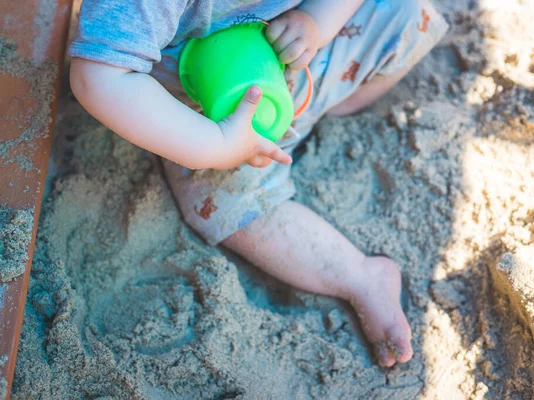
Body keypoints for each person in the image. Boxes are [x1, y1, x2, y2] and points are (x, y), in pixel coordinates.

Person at [69, 0, 448, 367]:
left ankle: (333, 105)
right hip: (207, 111)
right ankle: (362, 278)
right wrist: (213, 147)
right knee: (221, 203)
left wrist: (316, 21)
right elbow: (100, 76)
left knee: (409, 15)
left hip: (307, 52)